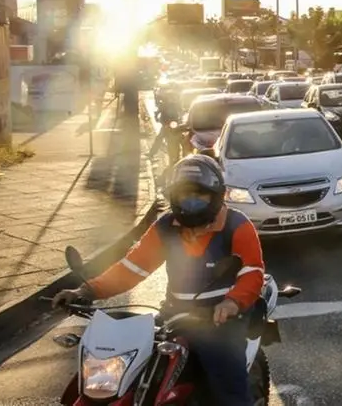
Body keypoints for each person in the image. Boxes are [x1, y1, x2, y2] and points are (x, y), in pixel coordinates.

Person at [52, 155, 265, 406]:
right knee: (131, 368)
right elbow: (132, 268)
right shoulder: (165, 227)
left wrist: (232, 303)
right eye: (185, 194)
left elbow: (252, 272)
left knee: (228, 389)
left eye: (200, 195)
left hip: (222, 320)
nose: (192, 201)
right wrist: (86, 291)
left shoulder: (236, 225)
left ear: (216, 195)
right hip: (175, 315)